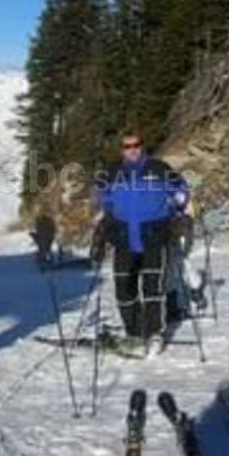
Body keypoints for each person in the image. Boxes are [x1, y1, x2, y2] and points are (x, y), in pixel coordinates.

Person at [94, 131, 188, 355]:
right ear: (121, 149)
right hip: (123, 236)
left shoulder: (159, 168)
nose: (132, 149)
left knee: (152, 286)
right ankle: (134, 333)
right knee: (124, 288)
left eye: (136, 144)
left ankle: (154, 334)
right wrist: (106, 214)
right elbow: (99, 194)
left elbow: (181, 191)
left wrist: (176, 210)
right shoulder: (112, 171)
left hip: (154, 234)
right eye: (127, 146)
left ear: (142, 146)